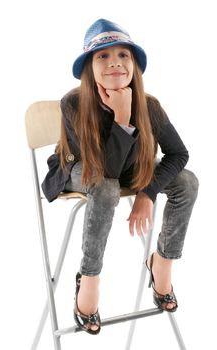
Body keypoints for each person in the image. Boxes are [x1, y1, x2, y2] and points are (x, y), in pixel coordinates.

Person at [41, 18, 199, 335]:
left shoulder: (150, 105)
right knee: (106, 186)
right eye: (103, 56)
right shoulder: (73, 102)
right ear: (89, 67)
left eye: (123, 55)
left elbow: (178, 154)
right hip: (81, 170)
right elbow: (105, 171)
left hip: (122, 173)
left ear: (134, 65)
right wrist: (123, 117)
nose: (115, 62)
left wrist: (147, 193)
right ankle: (89, 278)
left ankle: (162, 263)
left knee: (187, 181)